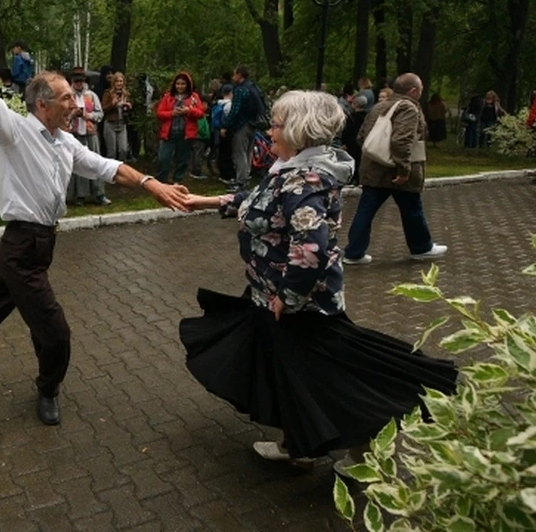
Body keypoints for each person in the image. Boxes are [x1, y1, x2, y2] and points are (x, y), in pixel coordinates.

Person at [0, 0, 190, 426]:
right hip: (22, 247)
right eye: (67, 97)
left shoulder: (66, 143)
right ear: (43, 103)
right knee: (55, 331)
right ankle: (47, 390)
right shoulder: (13, 130)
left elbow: (107, 167)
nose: (76, 102)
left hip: (38, 245)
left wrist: (150, 183)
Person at [178, 90, 458, 474]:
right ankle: (301, 445)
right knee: (301, 377)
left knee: (327, 380)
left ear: (297, 130)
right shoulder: (290, 171)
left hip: (299, 305)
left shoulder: (303, 180)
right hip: (278, 298)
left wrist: (288, 299)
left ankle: (356, 452)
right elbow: (260, 201)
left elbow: (311, 248)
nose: (270, 130)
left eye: (276, 124)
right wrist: (204, 202)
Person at [343, 73, 447, 265]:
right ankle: (421, 247)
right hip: (396, 172)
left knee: (365, 211)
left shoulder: (379, 107)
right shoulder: (408, 108)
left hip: (374, 171)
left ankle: (353, 252)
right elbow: (402, 140)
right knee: (412, 208)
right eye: (421, 89)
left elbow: (361, 137)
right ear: (413, 91)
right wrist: (403, 169)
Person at [67, 67, 110, 206]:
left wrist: (88, 115)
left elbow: (100, 114)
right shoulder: (68, 96)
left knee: (95, 162)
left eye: (81, 80)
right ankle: (80, 195)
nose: (79, 83)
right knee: (78, 164)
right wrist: (73, 115)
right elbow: (63, 114)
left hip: (90, 132)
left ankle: (99, 193)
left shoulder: (91, 95)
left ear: (84, 81)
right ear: (72, 81)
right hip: (74, 134)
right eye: (76, 80)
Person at [156, 72, 205, 184]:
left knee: (182, 160)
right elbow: (159, 113)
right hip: (169, 132)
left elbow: (201, 113)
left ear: (188, 84)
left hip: (185, 133)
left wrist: (189, 111)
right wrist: (171, 113)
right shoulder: (168, 97)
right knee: (164, 158)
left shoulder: (194, 97)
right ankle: (160, 180)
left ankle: (177, 181)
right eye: (178, 84)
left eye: (183, 84)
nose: (180, 86)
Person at [101, 71, 131, 161]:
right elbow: (103, 109)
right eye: (117, 81)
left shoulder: (126, 94)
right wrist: (112, 104)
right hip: (110, 124)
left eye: (121, 81)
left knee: (123, 150)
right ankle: (111, 173)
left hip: (122, 124)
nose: (119, 83)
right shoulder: (107, 93)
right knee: (112, 152)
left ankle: (122, 171)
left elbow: (128, 110)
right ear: (113, 82)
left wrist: (128, 106)